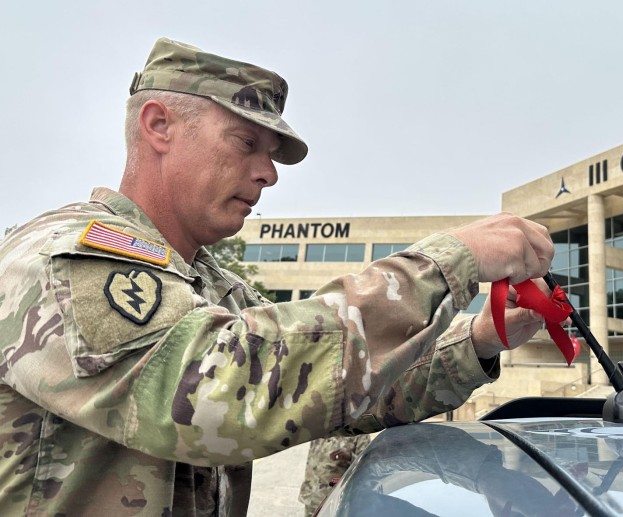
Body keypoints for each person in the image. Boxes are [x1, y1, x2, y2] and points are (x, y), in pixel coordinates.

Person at [0, 37, 553, 516]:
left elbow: (328, 384)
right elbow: (219, 394)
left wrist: (479, 339)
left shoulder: (214, 286)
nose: (267, 174)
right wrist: (445, 262)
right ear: (159, 125)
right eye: (246, 144)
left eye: (271, 156)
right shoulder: (64, 257)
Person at [299, 434, 371, 516]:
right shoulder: (323, 427)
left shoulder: (360, 433)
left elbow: (367, 466)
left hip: (334, 500)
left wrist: (350, 457)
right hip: (312, 494)